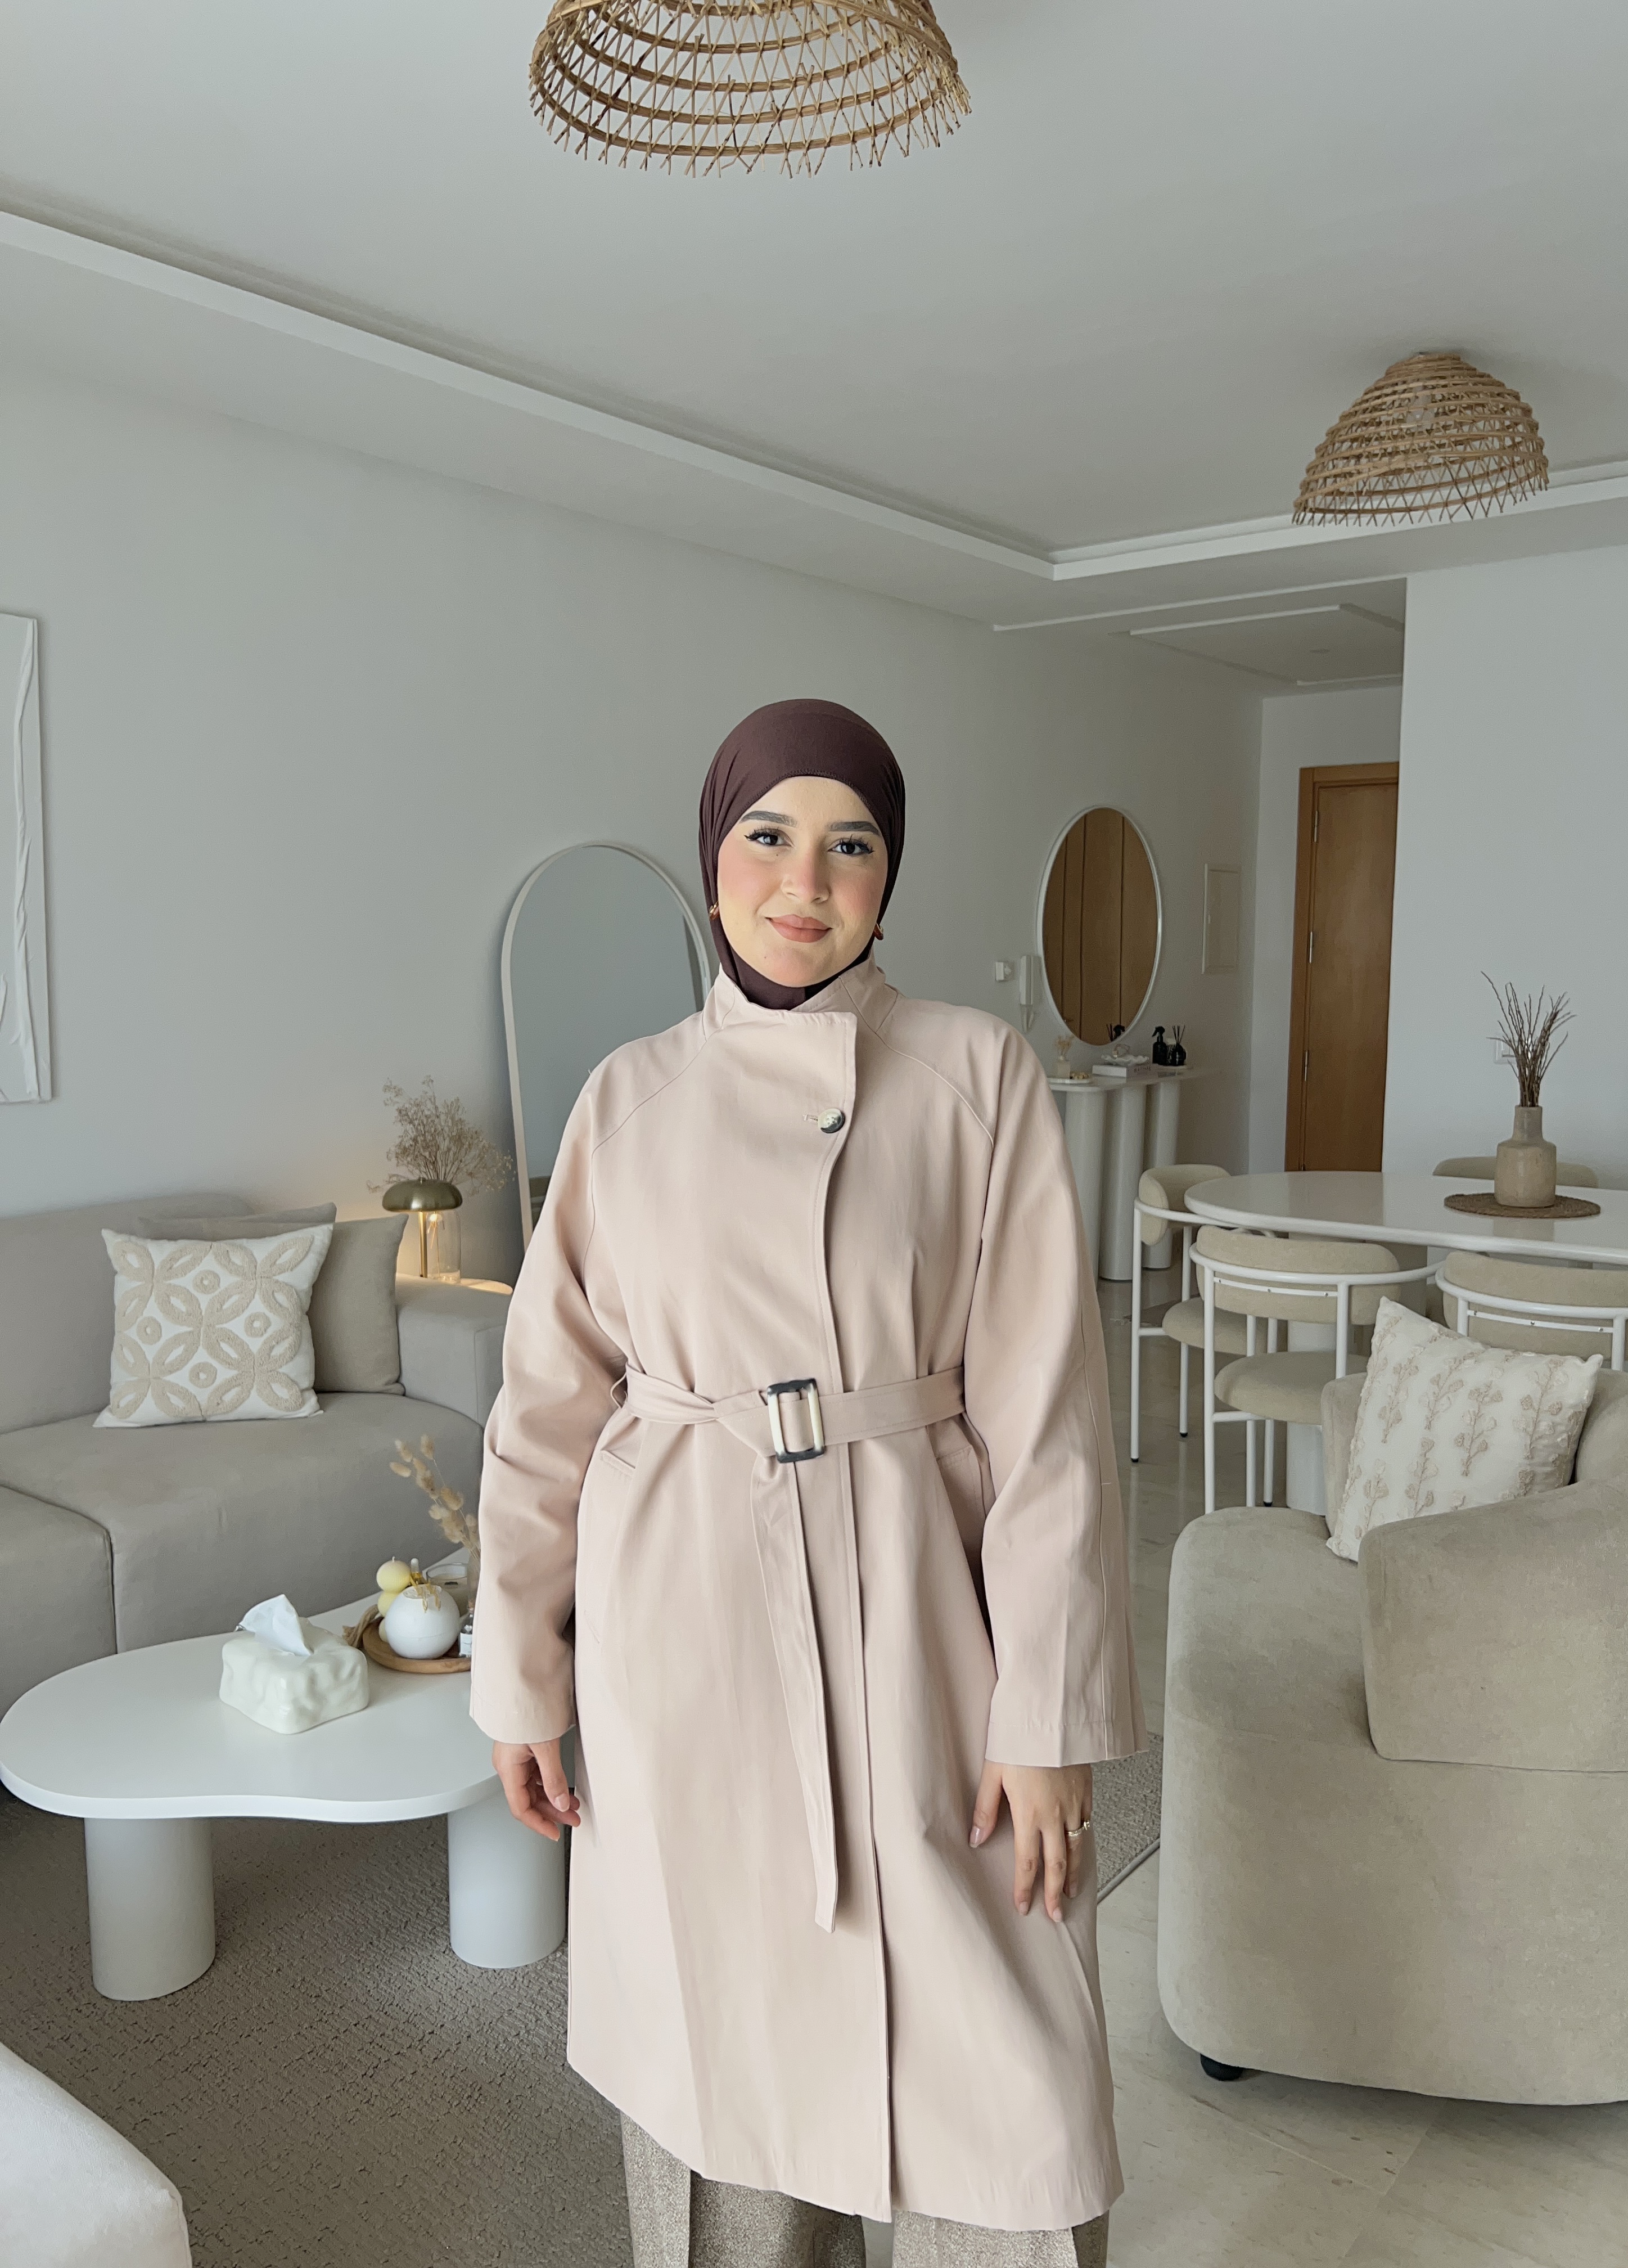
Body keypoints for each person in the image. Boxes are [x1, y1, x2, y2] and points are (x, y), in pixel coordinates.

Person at [471, 699, 1142, 2267]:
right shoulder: (626, 1099)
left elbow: (1048, 1419)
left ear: (888, 879)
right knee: (726, 2053)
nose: (805, 880)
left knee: (1014, 2070)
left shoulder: (977, 1073)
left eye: (851, 845)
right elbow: (547, 1409)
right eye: (768, 836)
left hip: (922, 1603)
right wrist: (521, 1676)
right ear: (715, 858)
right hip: (687, 1613)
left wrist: (1047, 1715)